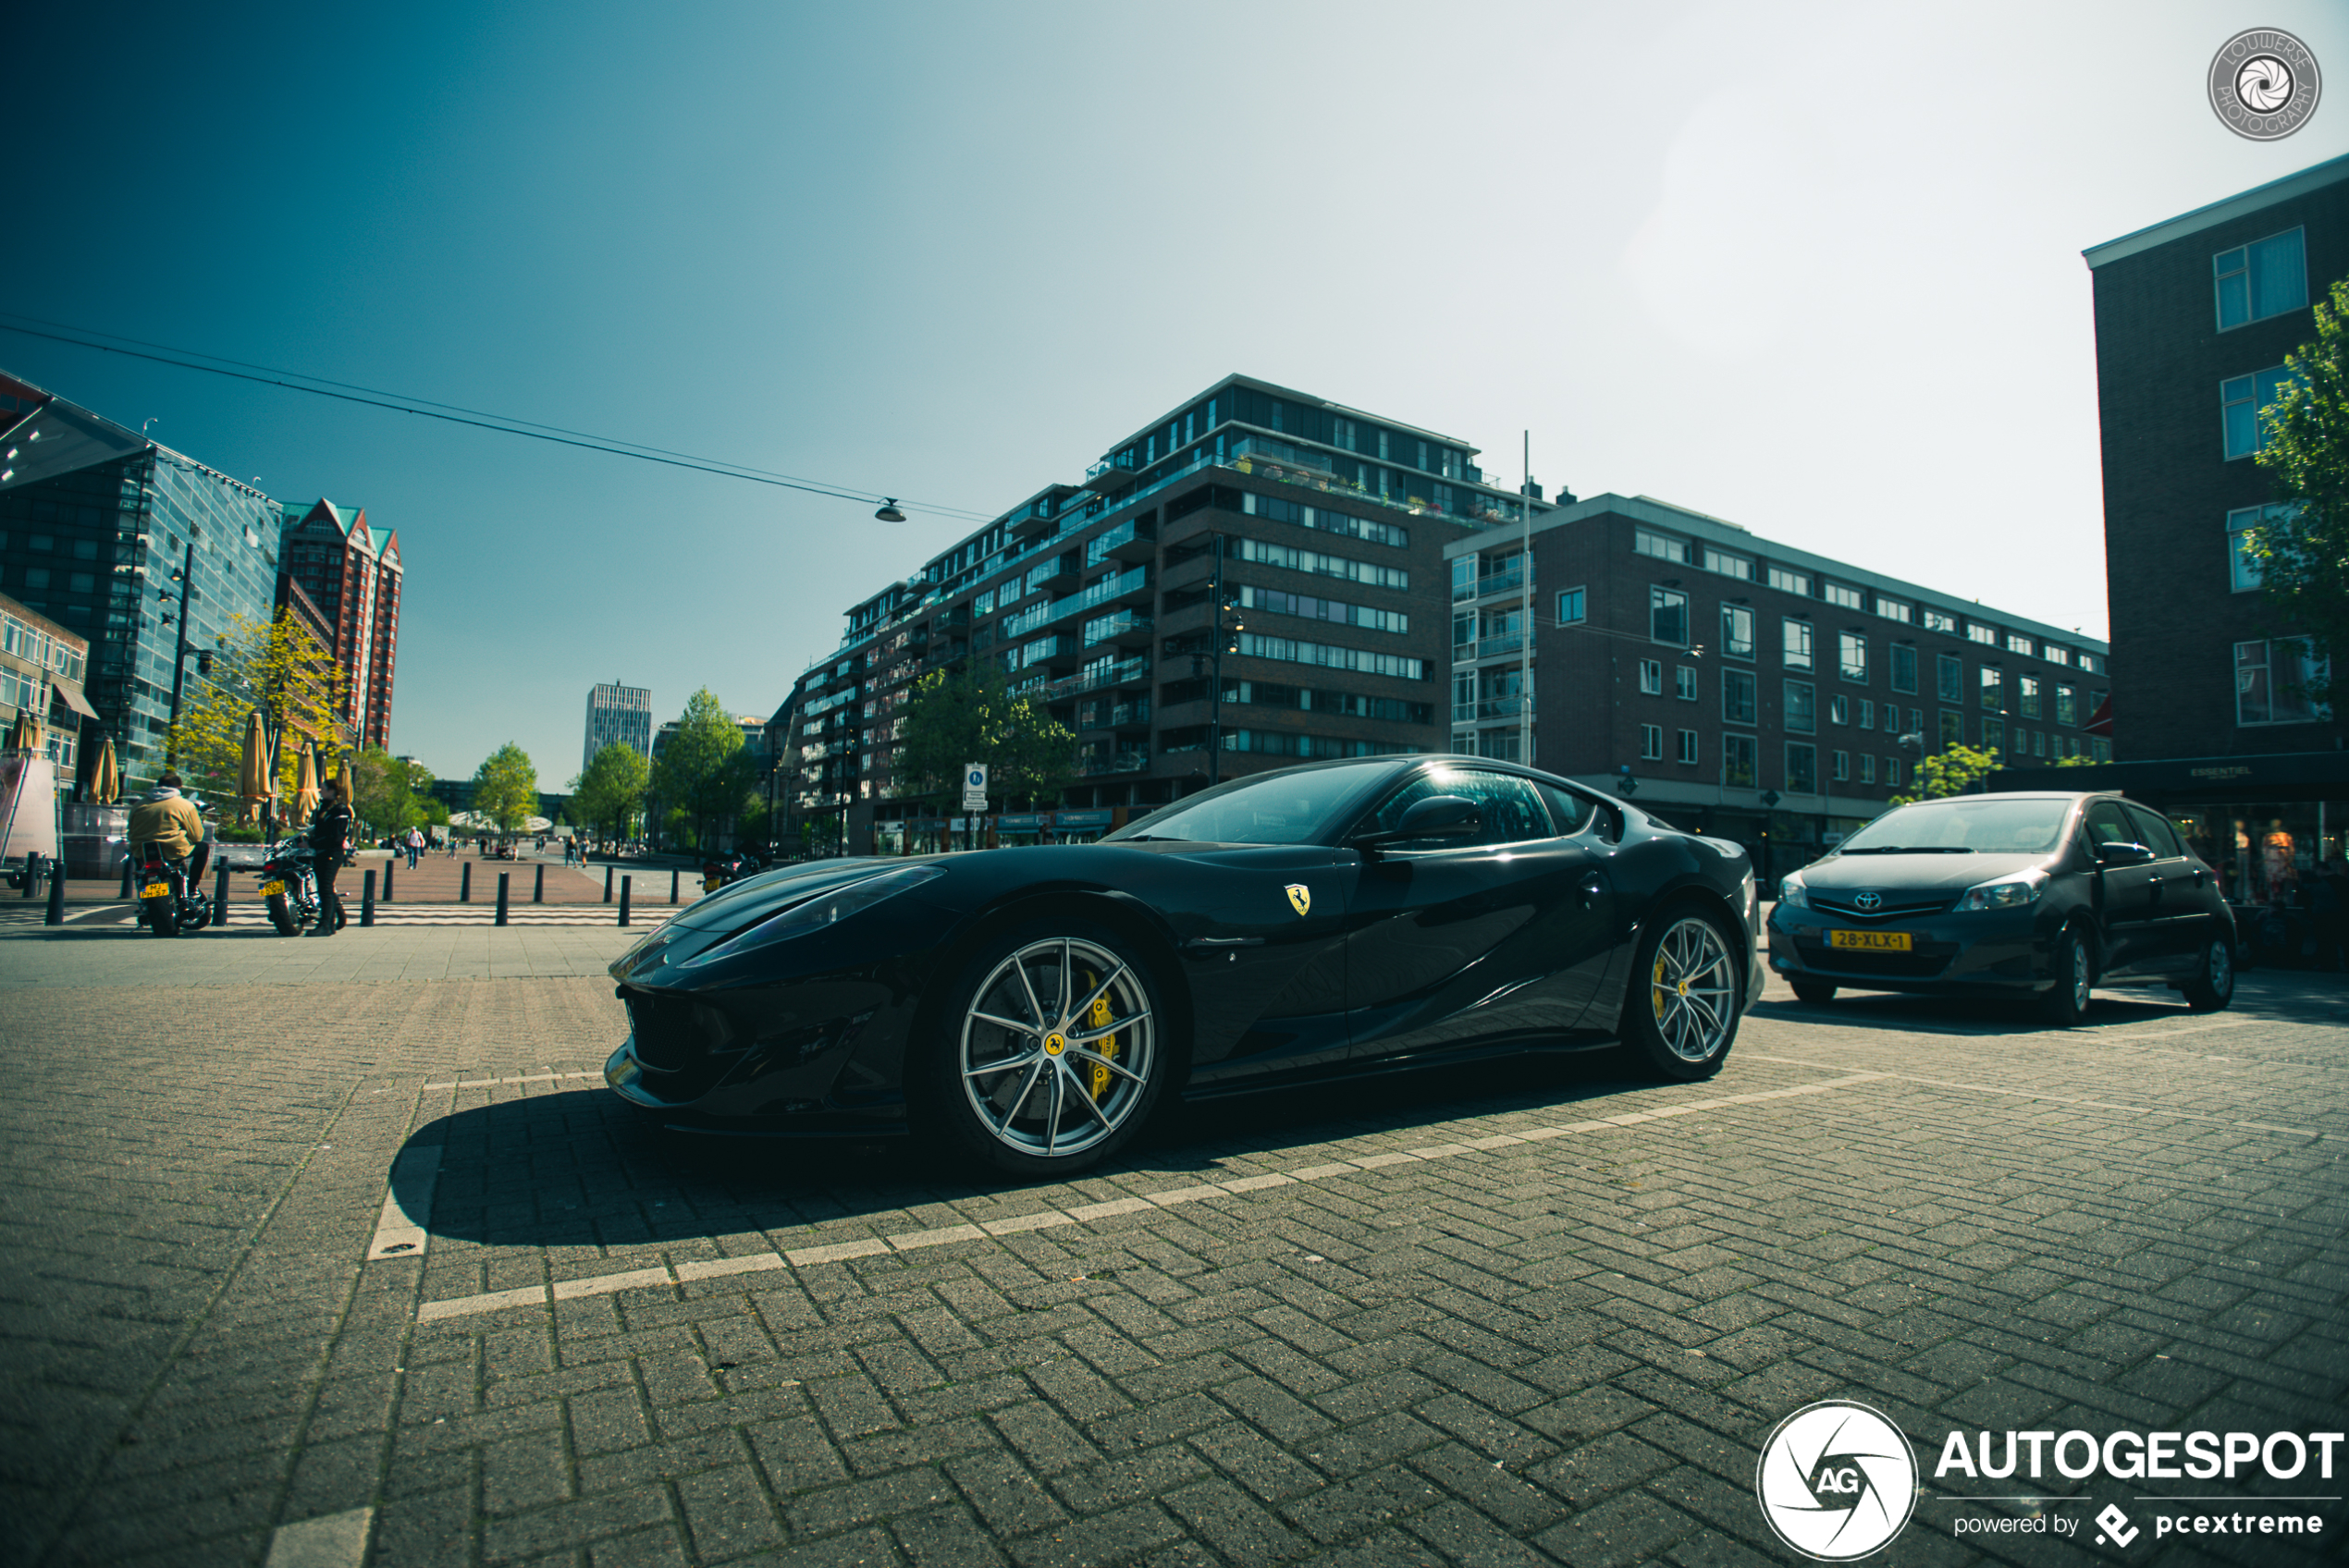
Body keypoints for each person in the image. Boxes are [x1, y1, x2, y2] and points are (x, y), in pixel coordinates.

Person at [127, 771, 209, 888]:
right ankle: (192, 887)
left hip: (142, 850)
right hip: (172, 850)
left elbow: (130, 830)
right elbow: (197, 837)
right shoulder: (185, 805)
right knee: (203, 847)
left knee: (141, 867)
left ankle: (144, 891)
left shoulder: (139, 804)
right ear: (179, 787)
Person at [309, 778, 353, 935]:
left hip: (332, 853)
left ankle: (325, 925)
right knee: (324, 887)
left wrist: (312, 844)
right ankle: (335, 918)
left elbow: (336, 836)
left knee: (326, 888)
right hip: (322, 852)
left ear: (331, 791)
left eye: (323, 788)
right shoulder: (324, 808)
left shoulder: (340, 810)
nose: (320, 791)